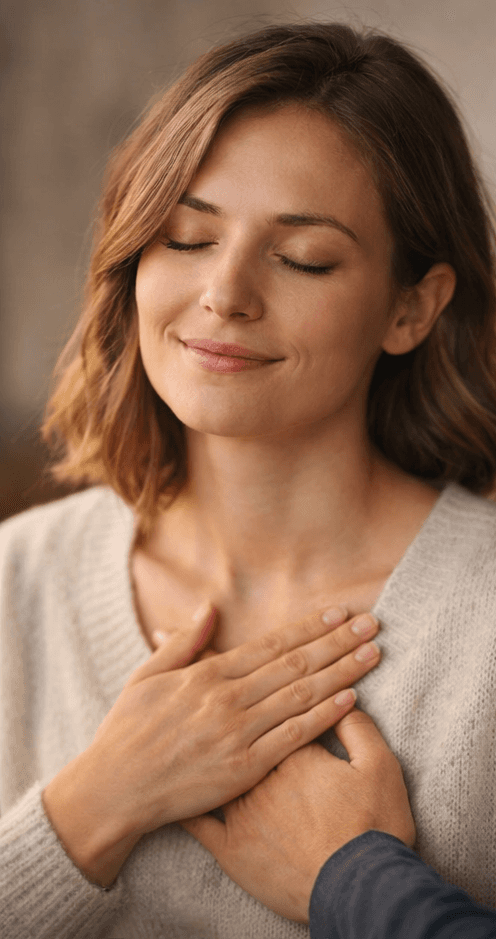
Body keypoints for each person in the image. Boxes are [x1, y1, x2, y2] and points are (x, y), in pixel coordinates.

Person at [1, 19, 496, 939]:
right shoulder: (15, 583)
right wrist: (87, 813)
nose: (225, 292)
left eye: (303, 256)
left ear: (412, 306)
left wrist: (360, 887)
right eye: (186, 238)